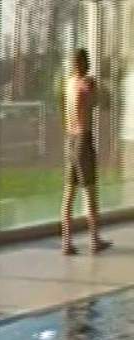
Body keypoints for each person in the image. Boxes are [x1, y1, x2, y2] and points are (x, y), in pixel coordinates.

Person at [61, 48, 112, 255]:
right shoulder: (87, 83)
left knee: (69, 193)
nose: (89, 64)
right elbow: (104, 103)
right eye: (86, 61)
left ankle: (66, 243)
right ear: (81, 62)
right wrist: (98, 86)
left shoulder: (68, 83)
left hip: (69, 140)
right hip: (83, 138)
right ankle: (94, 241)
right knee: (90, 192)